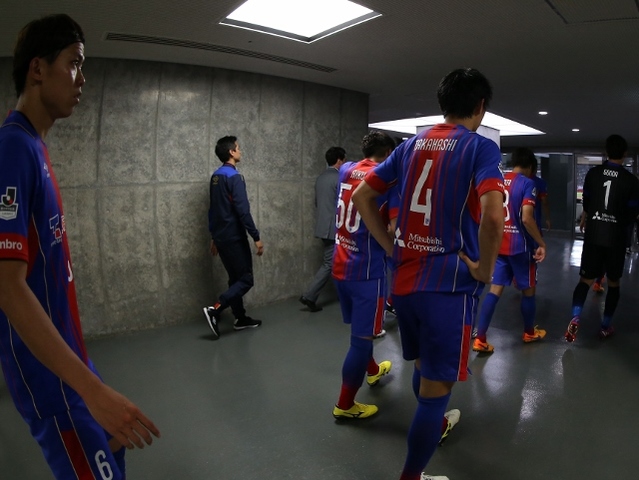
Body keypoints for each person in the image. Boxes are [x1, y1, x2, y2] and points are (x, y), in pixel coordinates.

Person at [0, 14, 160, 479]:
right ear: (37, 69)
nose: (82, 78)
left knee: (115, 457)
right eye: (74, 63)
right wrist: (90, 390)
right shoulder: (12, 149)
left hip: (71, 367)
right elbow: (7, 287)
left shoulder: (35, 147)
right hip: (53, 384)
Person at [352, 68, 505, 480]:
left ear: (443, 103)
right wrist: (485, 269)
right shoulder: (480, 148)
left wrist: (392, 248)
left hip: (404, 283)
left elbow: (364, 196)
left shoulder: (409, 146)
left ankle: (433, 425)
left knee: (423, 367)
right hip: (448, 288)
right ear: (480, 107)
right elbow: (494, 216)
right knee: (435, 393)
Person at [331, 132, 396, 420]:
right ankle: (345, 405)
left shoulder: (346, 169)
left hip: (340, 264)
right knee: (361, 340)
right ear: (389, 153)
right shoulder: (385, 181)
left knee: (361, 330)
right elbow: (392, 227)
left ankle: (372, 370)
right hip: (367, 272)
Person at [565, 134, 639, 342]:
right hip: (616, 238)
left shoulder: (593, 174)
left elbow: (587, 202)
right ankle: (605, 326)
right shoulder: (631, 181)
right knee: (613, 283)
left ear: (606, 152)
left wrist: (593, 216)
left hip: (594, 234)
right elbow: (632, 212)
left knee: (585, 280)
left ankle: (576, 316)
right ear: (624, 154)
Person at [473, 148, 547, 354]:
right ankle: (529, 332)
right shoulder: (527, 183)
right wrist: (541, 242)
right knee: (528, 290)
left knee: (494, 290)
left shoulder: (498, 180)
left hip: (499, 245)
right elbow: (527, 218)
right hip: (521, 248)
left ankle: (480, 338)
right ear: (530, 166)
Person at [203, 136, 264, 338]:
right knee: (246, 279)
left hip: (221, 237)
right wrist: (256, 237)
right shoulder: (234, 177)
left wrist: (214, 236)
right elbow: (243, 211)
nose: (240, 151)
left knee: (235, 279)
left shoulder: (216, 176)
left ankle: (240, 318)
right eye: (238, 148)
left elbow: (214, 210)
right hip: (234, 237)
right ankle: (215, 309)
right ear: (231, 152)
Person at [299, 147, 346, 312]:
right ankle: (309, 296)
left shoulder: (321, 178)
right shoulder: (339, 178)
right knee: (330, 263)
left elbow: (318, 203)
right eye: (344, 160)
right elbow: (343, 204)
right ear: (339, 160)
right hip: (334, 228)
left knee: (336, 262)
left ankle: (341, 294)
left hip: (323, 226)